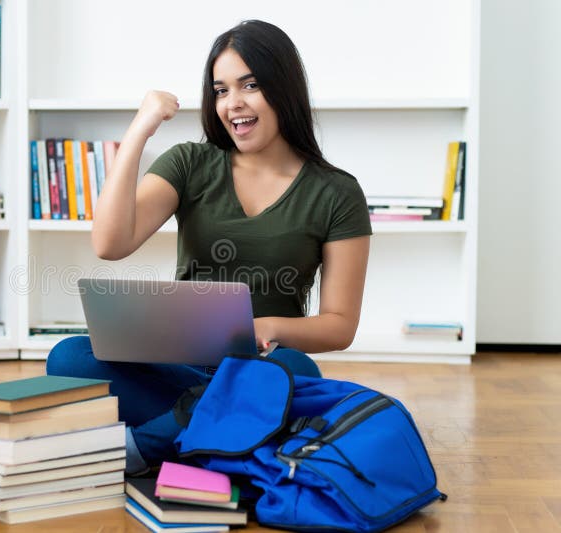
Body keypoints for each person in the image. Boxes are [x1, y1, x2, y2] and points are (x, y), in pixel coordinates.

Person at [46, 20, 371, 474]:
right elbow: (109, 243)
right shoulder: (190, 163)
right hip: (180, 369)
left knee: (297, 372)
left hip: (262, 372)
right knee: (69, 358)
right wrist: (140, 130)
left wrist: (263, 326)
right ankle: (216, 436)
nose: (232, 103)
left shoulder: (336, 192)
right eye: (220, 90)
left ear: (284, 87)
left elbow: (340, 326)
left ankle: (145, 446)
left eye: (250, 85)